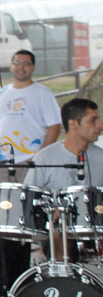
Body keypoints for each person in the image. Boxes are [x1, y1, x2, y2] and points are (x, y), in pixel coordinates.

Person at [24, 98, 103, 261]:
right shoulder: (45, 158)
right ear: (73, 124)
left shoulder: (101, 156)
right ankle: (62, 279)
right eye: (93, 120)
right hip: (58, 231)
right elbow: (27, 200)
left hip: (95, 229)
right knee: (61, 230)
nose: (99, 126)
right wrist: (51, 214)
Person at [0, 49, 62, 183]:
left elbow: (55, 126)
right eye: (17, 63)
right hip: (3, 160)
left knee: (28, 201)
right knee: (5, 202)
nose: (21, 67)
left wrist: (40, 155)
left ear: (33, 67)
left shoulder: (43, 92)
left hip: (30, 160)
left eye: (26, 63)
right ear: (11, 66)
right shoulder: (1, 93)